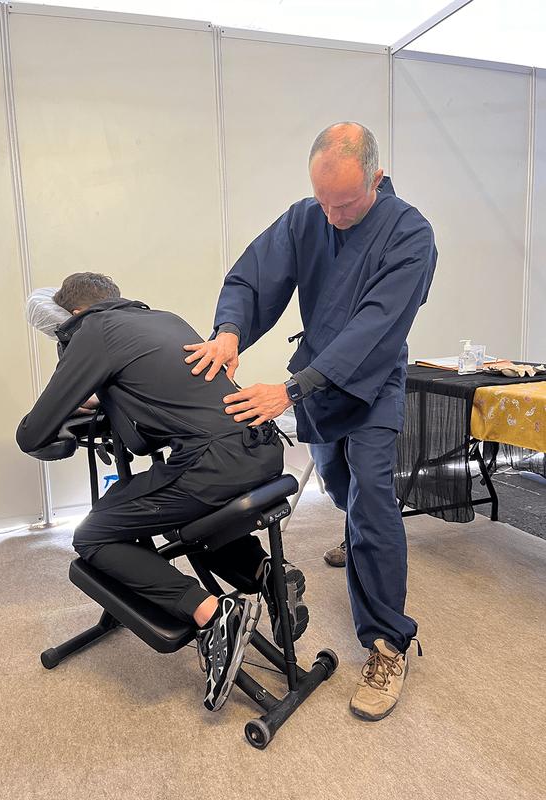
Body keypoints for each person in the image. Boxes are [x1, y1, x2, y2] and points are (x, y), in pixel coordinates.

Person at [183, 122, 437, 721]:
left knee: (373, 494)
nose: (332, 213)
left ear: (376, 178)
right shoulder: (309, 216)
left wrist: (291, 389)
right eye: (322, 199)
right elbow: (255, 274)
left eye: (344, 202)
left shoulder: (410, 234)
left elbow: (374, 327)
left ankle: (387, 641)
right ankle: (357, 538)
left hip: (371, 382)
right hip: (318, 385)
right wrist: (230, 331)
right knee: (341, 487)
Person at [17, 272, 308, 713]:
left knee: (94, 535)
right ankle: (265, 573)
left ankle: (212, 615)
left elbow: (33, 432)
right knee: (186, 523)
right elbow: (156, 398)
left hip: (212, 465)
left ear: (74, 313)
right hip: (260, 448)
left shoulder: (93, 331)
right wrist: (105, 400)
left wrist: (65, 408)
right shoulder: (162, 319)